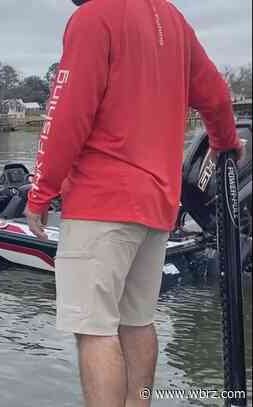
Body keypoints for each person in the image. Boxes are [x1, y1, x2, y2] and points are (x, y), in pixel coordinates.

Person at [24, 1, 245, 406]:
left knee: (95, 329)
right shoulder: (173, 19)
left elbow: (68, 113)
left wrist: (41, 191)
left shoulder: (93, 17)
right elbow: (215, 94)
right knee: (138, 322)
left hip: (100, 202)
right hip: (157, 205)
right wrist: (225, 142)